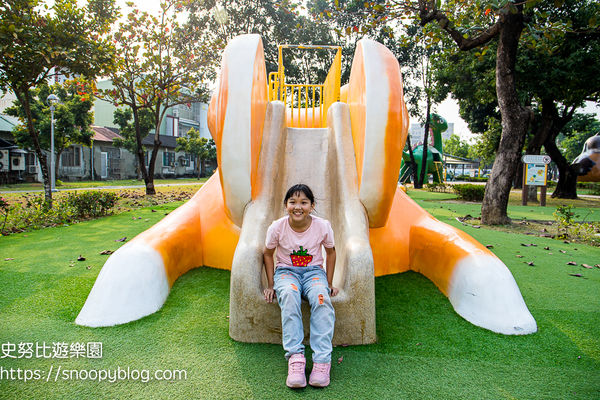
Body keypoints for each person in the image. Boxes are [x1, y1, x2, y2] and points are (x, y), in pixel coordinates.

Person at [263, 184, 338, 388]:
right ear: (285, 205)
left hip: (314, 274)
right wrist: (271, 284)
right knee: (288, 295)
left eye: (304, 202)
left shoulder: (322, 226)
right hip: (286, 273)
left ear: (312, 206)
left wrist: (329, 282)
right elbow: (268, 254)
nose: (298, 207)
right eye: (293, 202)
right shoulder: (277, 227)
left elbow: (331, 253)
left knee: (321, 299)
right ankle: (296, 358)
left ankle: (322, 361)